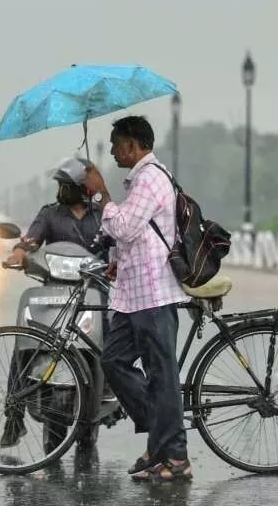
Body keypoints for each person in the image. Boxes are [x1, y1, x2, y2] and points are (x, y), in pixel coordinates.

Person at [83, 115, 193, 482]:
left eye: (116, 143)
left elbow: (125, 227)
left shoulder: (150, 178)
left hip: (154, 293)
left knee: (163, 376)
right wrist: (116, 262)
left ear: (133, 144)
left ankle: (175, 457)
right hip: (133, 295)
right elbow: (138, 235)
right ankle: (161, 438)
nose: (112, 149)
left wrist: (100, 195)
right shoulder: (140, 181)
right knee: (113, 361)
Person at [0, 155, 108, 448]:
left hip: (94, 293)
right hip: (54, 292)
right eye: (60, 186)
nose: (61, 192)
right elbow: (31, 239)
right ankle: (14, 414)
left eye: (67, 186)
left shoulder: (102, 216)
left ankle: (110, 392)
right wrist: (20, 252)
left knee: (111, 344)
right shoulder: (49, 215)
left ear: (83, 187)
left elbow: (117, 245)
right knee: (24, 343)